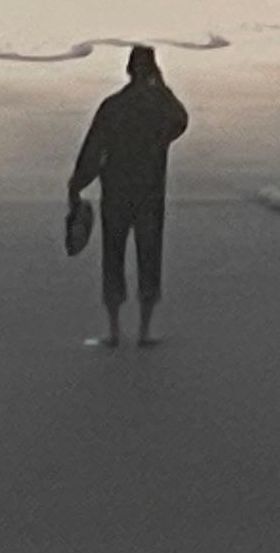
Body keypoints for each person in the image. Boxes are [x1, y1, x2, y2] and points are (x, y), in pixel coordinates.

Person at [66, 45, 192, 350]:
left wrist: (78, 184)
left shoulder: (113, 106)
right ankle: (145, 331)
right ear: (152, 70)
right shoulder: (161, 107)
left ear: (128, 70)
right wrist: (161, 86)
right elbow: (181, 121)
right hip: (150, 192)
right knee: (149, 258)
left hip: (117, 191)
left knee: (114, 256)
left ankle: (113, 331)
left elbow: (94, 148)